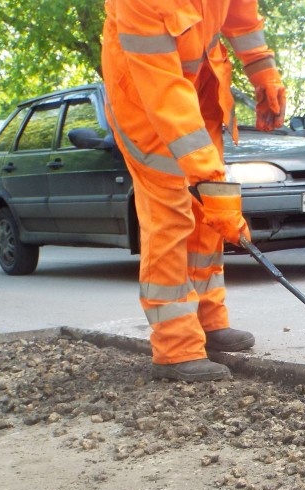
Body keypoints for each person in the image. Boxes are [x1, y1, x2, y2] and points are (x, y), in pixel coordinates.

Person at [102, 0, 286, 381]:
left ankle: (208, 322)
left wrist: (263, 72)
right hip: (145, 101)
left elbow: (241, 15)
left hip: (202, 88)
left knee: (207, 215)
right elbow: (164, 91)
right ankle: (176, 348)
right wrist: (210, 180)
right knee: (170, 212)